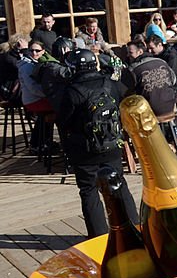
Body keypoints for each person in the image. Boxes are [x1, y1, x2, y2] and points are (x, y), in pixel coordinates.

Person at [53, 49, 135, 237]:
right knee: (119, 184)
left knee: (89, 191)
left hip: (84, 151)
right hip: (112, 144)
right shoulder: (111, 84)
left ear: (74, 68)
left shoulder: (72, 91)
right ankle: (134, 227)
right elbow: (124, 99)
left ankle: (98, 237)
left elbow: (63, 120)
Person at [123, 38, 177, 117]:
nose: (128, 55)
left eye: (130, 52)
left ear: (140, 52)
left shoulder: (133, 69)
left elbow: (127, 92)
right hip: (170, 106)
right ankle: (173, 128)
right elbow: (174, 80)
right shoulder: (161, 61)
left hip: (149, 112)